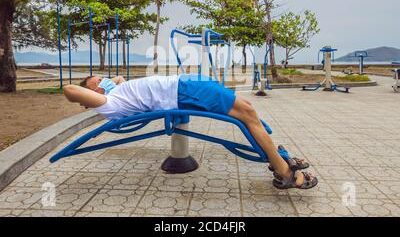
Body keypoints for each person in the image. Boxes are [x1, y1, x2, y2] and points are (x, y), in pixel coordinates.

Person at [64, 74, 318, 190]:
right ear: (94, 91)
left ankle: (278, 161)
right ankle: (283, 171)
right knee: (248, 114)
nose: (104, 78)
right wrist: (94, 92)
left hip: (184, 87)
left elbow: (118, 79)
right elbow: (69, 89)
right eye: (97, 79)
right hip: (182, 91)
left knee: (248, 113)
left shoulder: (115, 92)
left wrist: (107, 84)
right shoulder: (109, 104)